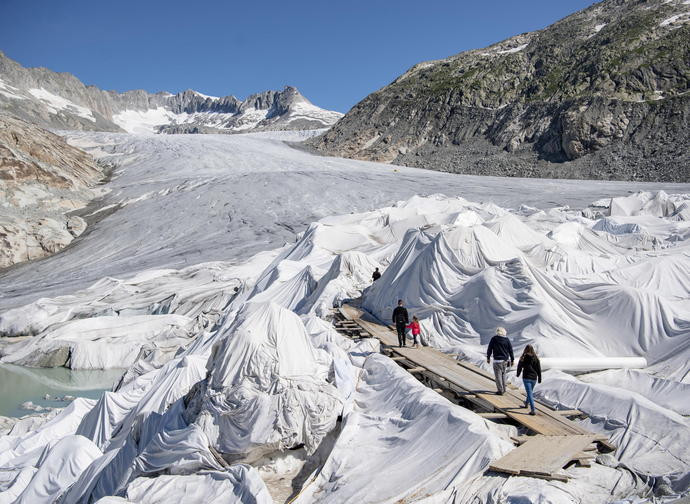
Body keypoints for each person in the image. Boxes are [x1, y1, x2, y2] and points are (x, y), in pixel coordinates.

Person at [487, 327, 514, 395]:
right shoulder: (507, 340)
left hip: (497, 361)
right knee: (503, 375)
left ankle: (500, 390)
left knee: (498, 376)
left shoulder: (494, 339)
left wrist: (488, 357)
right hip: (505, 360)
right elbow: (510, 350)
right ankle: (504, 389)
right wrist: (512, 359)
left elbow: (490, 348)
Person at [516, 344, 542, 416]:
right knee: (530, 392)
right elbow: (538, 369)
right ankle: (526, 404)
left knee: (529, 393)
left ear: (525, 350)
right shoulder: (536, 358)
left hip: (526, 377)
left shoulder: (523, 357)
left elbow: (519, 367)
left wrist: (518, 374)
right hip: (534, 378)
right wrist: (539, 378)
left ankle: (533, 410)